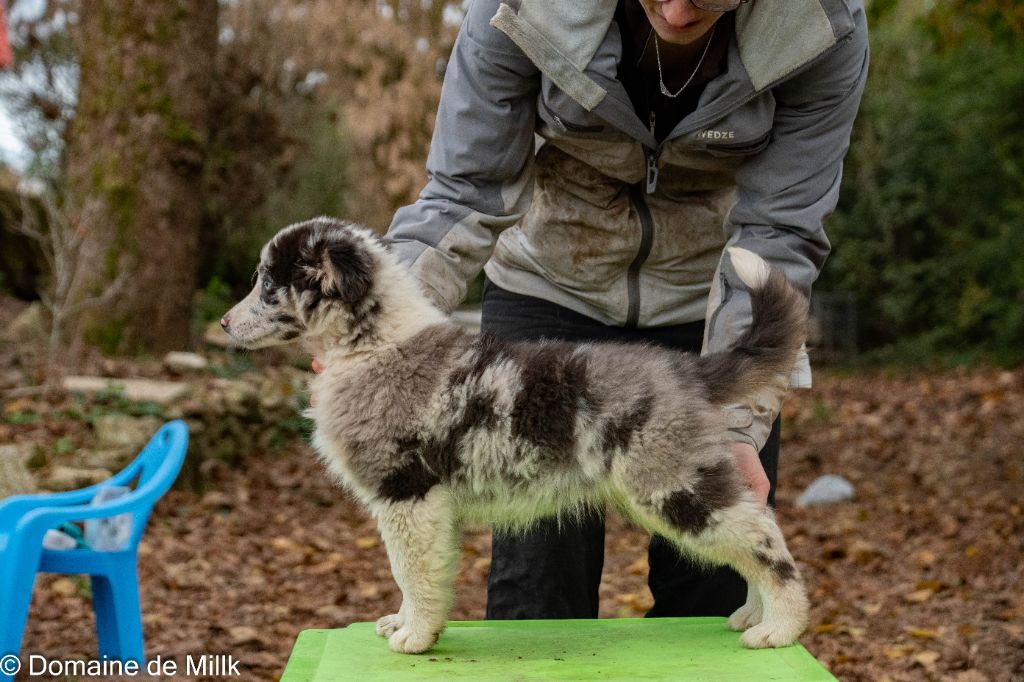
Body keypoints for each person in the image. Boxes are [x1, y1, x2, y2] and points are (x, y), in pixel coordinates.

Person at [336, 0, 868, 620]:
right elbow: (465, 190)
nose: (677, 13)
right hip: (548, 291)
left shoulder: (823, 27)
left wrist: (740, 420)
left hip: (711, 311)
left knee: (715, 583)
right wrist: (374, 323)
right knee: (538, 586)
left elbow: (779, 231)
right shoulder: (517, 8)